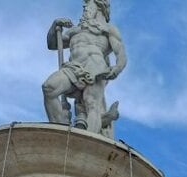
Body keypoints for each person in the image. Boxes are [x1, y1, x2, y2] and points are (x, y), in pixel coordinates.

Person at [43, 0, 126, 135]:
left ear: (100, 7)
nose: (85, 9)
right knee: (49, 88)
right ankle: (61, 132)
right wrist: (55, 25)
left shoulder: (108, 29)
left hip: (96, 67)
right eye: (85, 7)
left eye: (88, 6)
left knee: (92, 103)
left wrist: (117, 69)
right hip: (73, 67)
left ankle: (88, 140)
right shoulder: (75, 31)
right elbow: (52, 44)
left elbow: (121, 53)